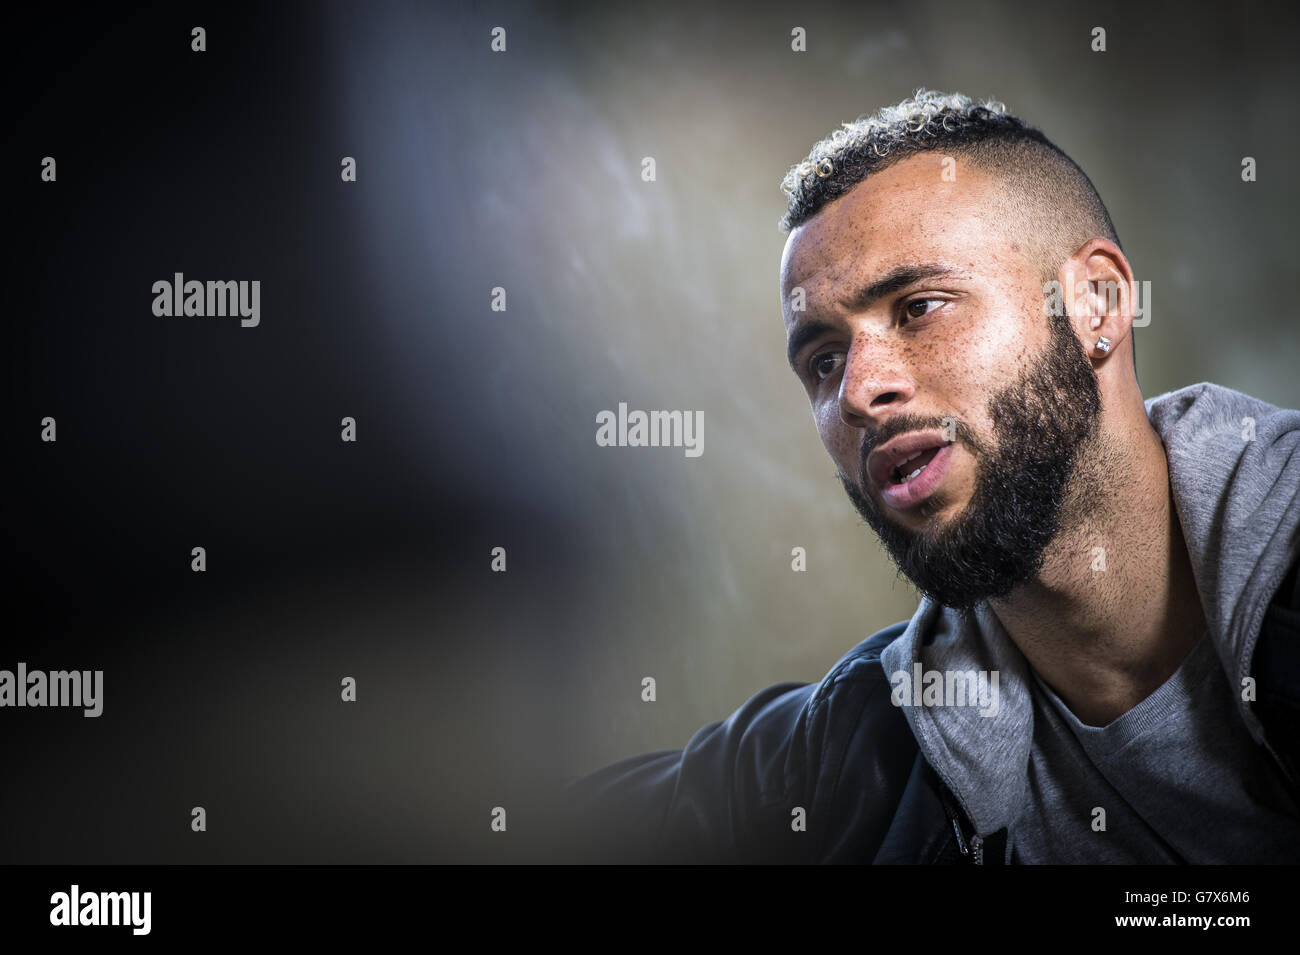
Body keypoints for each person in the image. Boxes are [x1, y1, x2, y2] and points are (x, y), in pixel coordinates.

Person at [560, 90, 1300, 863]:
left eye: (919, 307)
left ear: (1098, 304)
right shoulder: (859, 755)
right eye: (823, 359)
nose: (856, 392)